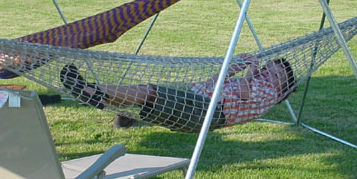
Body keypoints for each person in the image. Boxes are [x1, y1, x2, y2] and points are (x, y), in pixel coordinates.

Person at [60, 53, 296, 133]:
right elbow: (213, 81)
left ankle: (93, 92)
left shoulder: (268, 94)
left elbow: (245, 92)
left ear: (281, 88)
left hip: (208, 111)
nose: (266, 74)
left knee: (150, 93)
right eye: (267, 69)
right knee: (149, 94)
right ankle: (95, 94)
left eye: (275, 75)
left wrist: (250, 72)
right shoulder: (260, 83)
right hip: (200, 103)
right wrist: (235, 67)